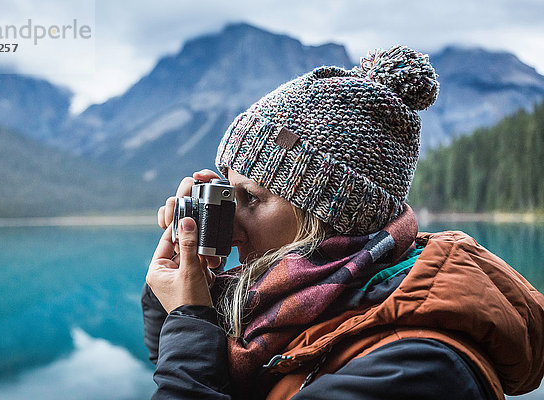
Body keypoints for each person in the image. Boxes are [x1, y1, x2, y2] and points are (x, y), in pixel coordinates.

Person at [142, 45, 544, 400]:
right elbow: (204, 379)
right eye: (228, 196)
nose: (228, 229)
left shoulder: (413, 370)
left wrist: (191, 320)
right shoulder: (312, 305)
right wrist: (184, 303)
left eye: (250, 198)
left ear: (330, 215)